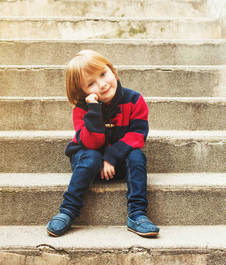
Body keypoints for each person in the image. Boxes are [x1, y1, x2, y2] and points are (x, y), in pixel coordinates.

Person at [46, 49, 159, 238]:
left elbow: (138, 135)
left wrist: (112, 156)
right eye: (91, 83)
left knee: (137, 155)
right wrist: (95, 110)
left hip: (118, 162)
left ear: (112, 70)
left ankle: (137, 214)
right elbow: (92, 143)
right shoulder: (82, 109)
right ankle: (68, 211)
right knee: (92, 156)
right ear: (81, 91)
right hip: (88, 159)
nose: (102, 84)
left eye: (103, 74)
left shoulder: (134, 100)